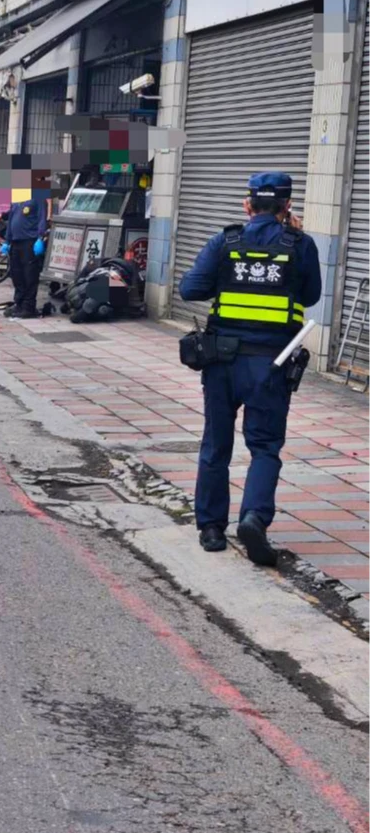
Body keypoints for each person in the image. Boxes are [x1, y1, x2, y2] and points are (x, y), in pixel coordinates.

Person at [179, 171, 321, 565]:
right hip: (270, 365)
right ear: (287, 206)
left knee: (216, 444)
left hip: (221, 362)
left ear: (248, 204)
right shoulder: (300, 245)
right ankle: (254, 518)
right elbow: (310, 296)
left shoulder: (225, 242)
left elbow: (190, 289)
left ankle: (210, 528)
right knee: (265, 447)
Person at [0, 197, 48, 318]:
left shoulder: (38, 198)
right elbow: (11, 220)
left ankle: (29, 306)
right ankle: (19, 303)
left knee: (29, 275)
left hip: (30, 241)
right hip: (15, 242)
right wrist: (7, 241)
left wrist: (40, 238)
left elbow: (42, 219)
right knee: (17, 275)